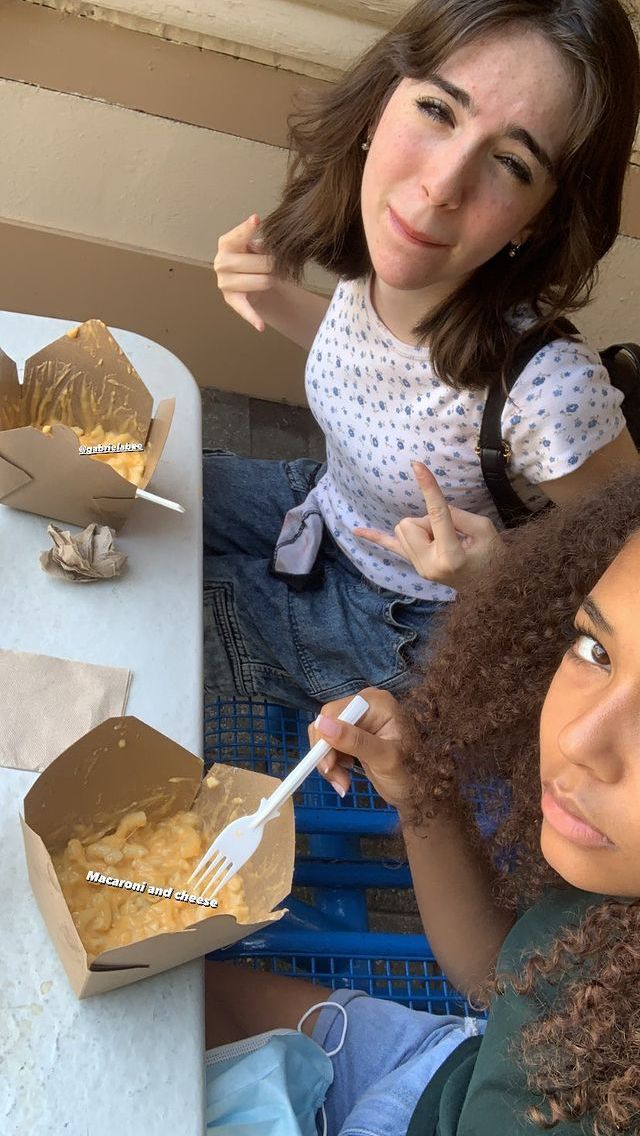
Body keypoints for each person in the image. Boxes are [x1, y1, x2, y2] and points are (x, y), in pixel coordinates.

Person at [205, 0, 640, 710]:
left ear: (540, 220)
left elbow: (631, 558)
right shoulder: (382, 245)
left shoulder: (549, 392)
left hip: (398, 618)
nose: (441, 186)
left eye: (511, 162)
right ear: (381, 104)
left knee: (154, 606)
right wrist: (273, 296)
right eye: (438, 110)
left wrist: (499, 579)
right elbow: (389, 372)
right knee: (131, 494)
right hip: (325, 507)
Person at [205, 469, 640, 1135]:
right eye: (595, 649)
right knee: (168, 1002)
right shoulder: (612, 896)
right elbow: (502, 978)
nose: (580, 741)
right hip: (442, 1066)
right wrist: (416, 790)